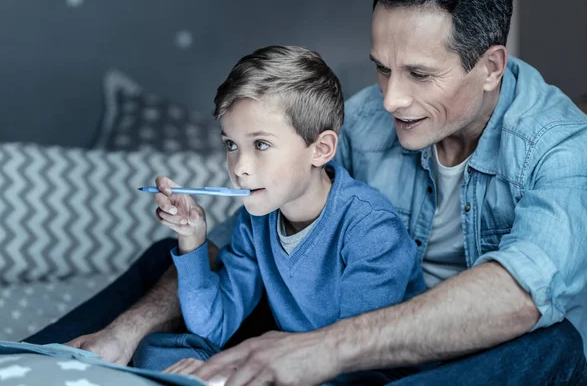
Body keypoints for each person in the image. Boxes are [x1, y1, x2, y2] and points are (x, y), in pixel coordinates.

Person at [25, 0, 587, 384]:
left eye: (419, 74)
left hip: (459, 355)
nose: (392, 98)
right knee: (176, 258)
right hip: (336, 332)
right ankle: (39, 363)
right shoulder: (367, 118)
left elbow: (519, 295)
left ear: (492, 66)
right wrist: (130, 328)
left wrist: (318, 350)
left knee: (547, 347)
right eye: (381, 67)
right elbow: (242, 243)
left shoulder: (565, 147)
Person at [130, 45, 425, 381]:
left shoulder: (371, 228)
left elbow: (357, 356)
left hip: (365, 373)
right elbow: (213, 326)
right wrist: (193, 240)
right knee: (155, 350)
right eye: (231, 145)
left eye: (261, 144)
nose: (239, 167)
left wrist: (240, 372)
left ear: (321, 149)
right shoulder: (255, 223)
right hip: (293, 365)